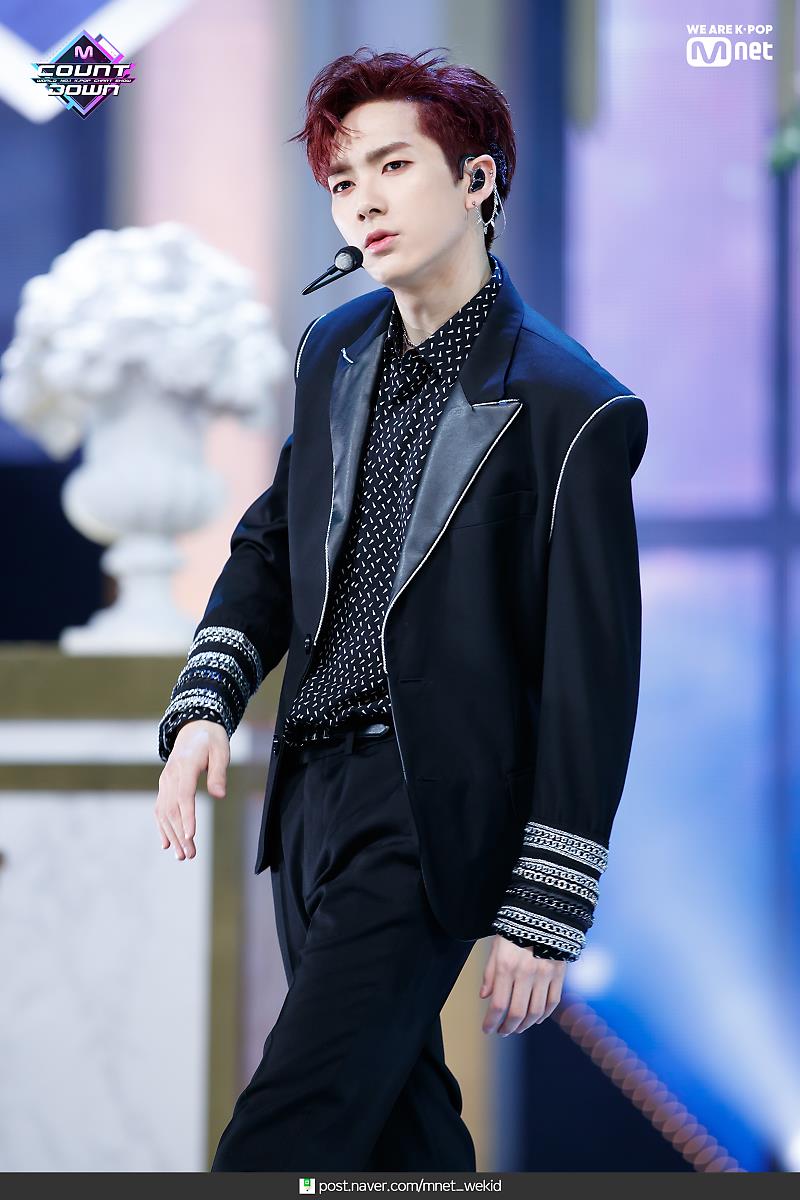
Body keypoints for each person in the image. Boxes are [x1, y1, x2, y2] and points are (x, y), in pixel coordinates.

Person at [155, 46, 648, 1172]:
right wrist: (204, 705)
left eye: (391, 166)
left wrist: (545, 906)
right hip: (309, 799)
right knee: (395, 1140)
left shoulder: (571, 407)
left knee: (283, 1133)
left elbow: (590, 680)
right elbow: (273, 546)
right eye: (342, 180)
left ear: (476, 181)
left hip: (427, 809)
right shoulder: (332, 351)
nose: (362, 202)